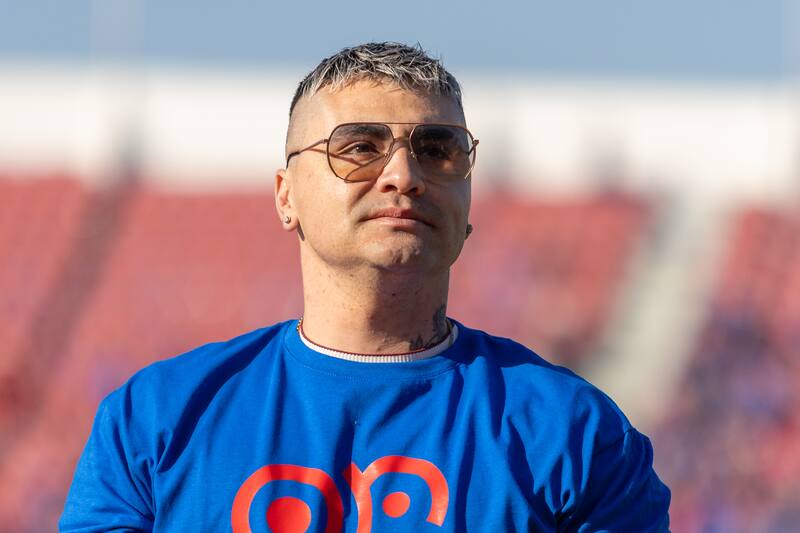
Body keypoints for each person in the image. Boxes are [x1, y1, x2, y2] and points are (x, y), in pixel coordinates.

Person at [61, 42, 671, 532]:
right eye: (360, 147)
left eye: (439, 150)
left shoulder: (574, 433)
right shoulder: (156, 419)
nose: (403, 175)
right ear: (286, 195)